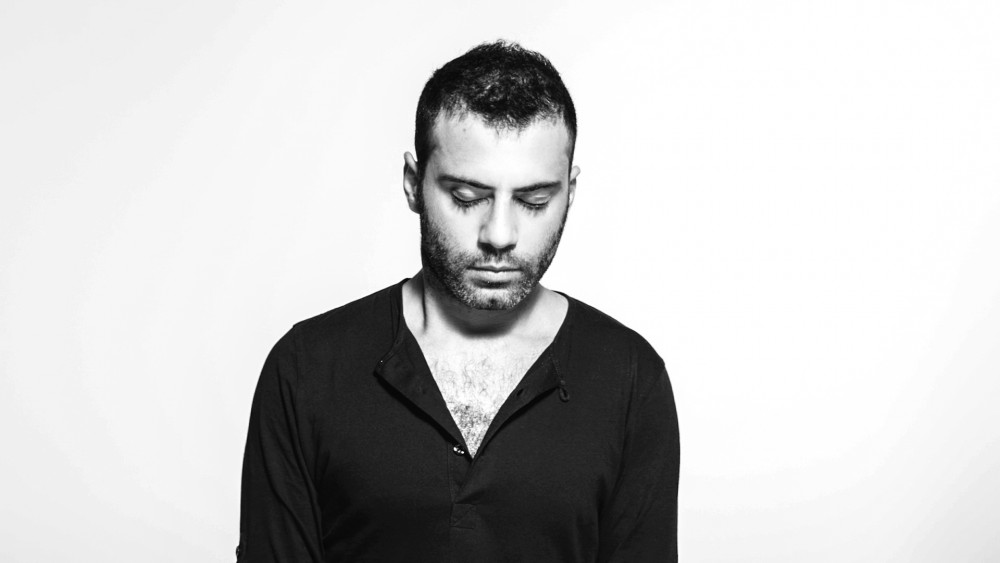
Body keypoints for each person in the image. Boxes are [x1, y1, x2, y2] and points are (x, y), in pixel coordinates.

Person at [238, 40, 680, 562]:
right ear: (413, 185)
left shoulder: (630, 378)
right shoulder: (307, 369)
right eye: (467, 198)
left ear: (570, 193)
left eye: (534, 201)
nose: (500, 235)